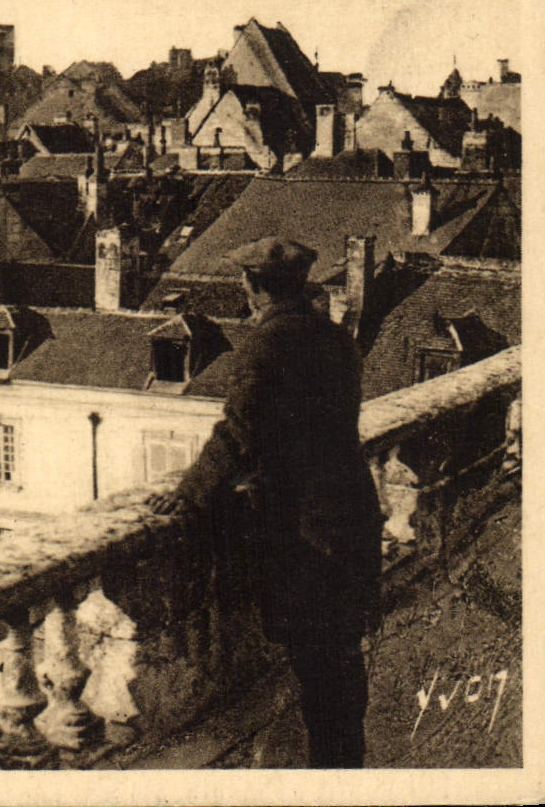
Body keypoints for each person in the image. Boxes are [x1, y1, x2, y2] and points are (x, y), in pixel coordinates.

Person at [147, 236, 383, 768]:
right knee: (343, 670)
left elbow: (237, 435)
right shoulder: (336, 339)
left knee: (319, 672)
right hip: (352, 516)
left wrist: (188, 494)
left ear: (252, 287)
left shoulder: (265, 345)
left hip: (308, 534)